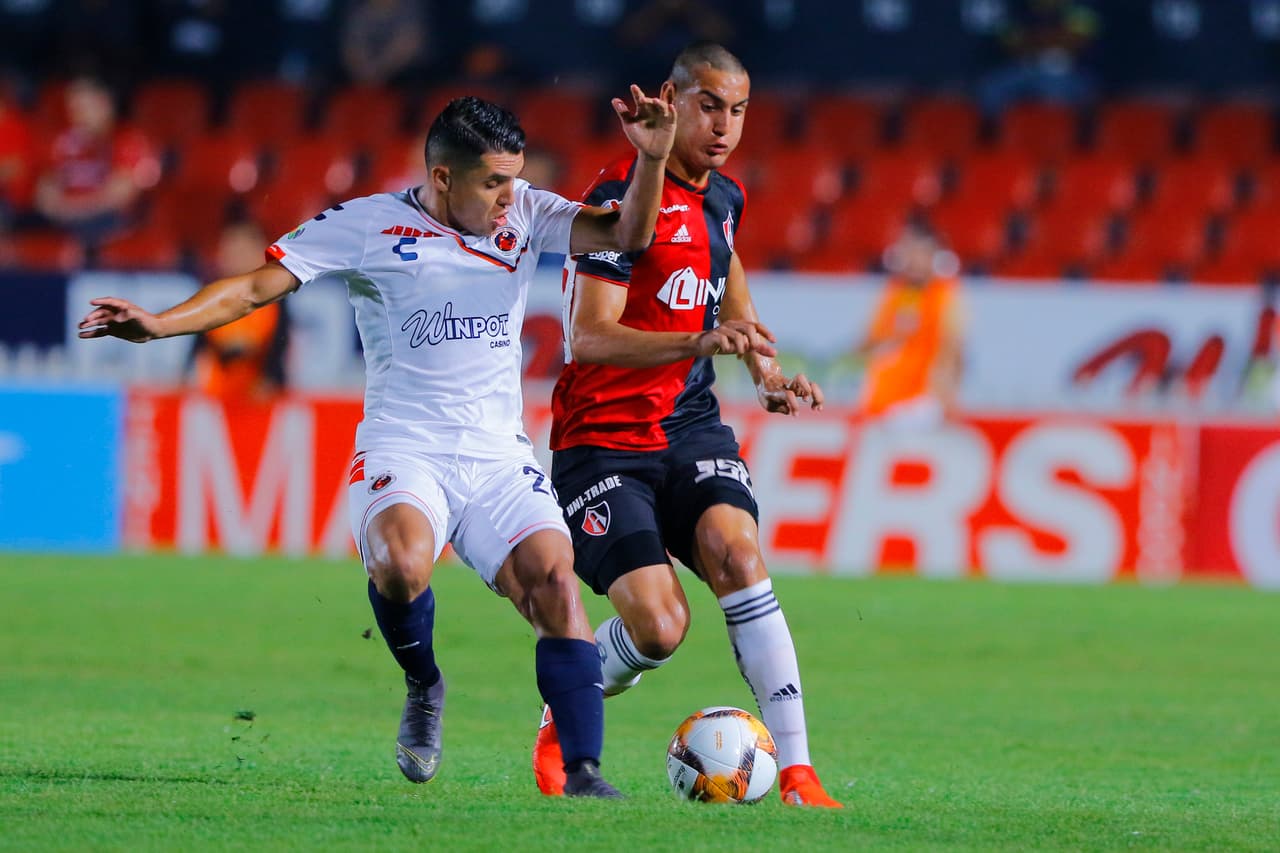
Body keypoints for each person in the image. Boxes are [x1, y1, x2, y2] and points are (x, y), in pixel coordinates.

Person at [78, 89, 677, 798]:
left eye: (513, 179)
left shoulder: (528, 212)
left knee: (554, 577)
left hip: (495, 454)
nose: (507, 197)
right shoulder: (368, 225)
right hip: (405, 445)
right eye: (493, 182)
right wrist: (159, 324)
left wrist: (654, 155)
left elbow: (628, 235)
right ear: (444, 177)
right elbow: (251, 290)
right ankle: (424, 683)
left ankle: (583, 774)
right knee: (400, 564)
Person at [531, 42, 842, 808]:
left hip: (690, 426)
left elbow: (727, 286)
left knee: (739, 553)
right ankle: (563, 707)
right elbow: (590, 337)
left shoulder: (725, 199)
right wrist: (697, 341)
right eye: (708, 106)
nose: (725, 125)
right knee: (661, 626)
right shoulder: (615, 202)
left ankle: (799, 771)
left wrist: (765, 374)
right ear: (670, 102)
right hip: (600, 438)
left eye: (738, 110)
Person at [856, 223, 966, 429]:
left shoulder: (944, 295)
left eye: (919, 253)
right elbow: (868, 342)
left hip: (920, 403)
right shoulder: (894, 292)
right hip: (882, 400)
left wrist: (948, 397)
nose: (913, 260)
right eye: (908, 252)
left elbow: (954, 348)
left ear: (933, 256)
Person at [33, 75, 157, 250]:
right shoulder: (64, 142)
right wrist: (59, 209)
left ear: (104, 104)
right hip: (65, 222)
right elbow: (44, 192)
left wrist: (69, 210)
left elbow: (117, 197)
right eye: (72, 109)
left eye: (83, 108)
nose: (76, 116)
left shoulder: (127, 140)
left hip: (111, 224)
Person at [189, 220, 289, 400]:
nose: (235, 258)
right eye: (230, 251)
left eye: (242, 252)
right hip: (214, 399)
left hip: (260, 401)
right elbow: (198, 354)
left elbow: (279, 352)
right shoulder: (211, 298)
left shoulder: (277, 301)